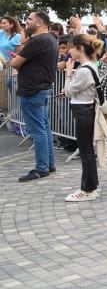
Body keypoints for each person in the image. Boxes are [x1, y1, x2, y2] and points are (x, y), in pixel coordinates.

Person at [12, 12, 59, 182]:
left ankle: (41, 168)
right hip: (42, 88)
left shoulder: (38, 40)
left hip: (33, 90)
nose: (27, 22)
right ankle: (49, 164)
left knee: (38, 130)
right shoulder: (51, 39)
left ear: (39, 22)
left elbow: (15, 63)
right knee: (44, 127)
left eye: (29, 19)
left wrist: (16, 58)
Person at [61, 35, 102, 202]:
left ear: (80, 49)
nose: (70, 51)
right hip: (85, 109)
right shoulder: (89, 66)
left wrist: (69, 74)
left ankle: (88, 189)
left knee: (86, 151)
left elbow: (69, 90)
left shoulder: (85, 70)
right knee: (87, 150)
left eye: (72, 48)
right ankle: (91, 186)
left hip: (84, 110)